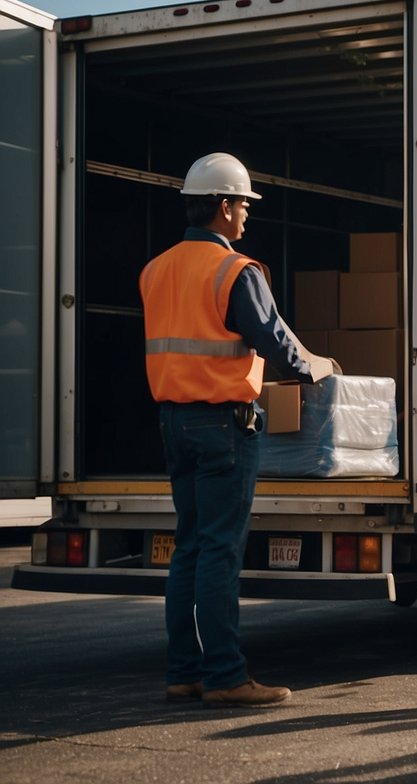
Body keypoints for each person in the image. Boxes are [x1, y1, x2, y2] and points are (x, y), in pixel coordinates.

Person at [140, 152, 338, 708]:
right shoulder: (235, 270)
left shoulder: (155, 269)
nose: (247, 216)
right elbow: (277, 342)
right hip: (223, 426)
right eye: (244, 205)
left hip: (174, 422)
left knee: (190, 549)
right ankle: (226, 676)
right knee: (221, 552)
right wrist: (317, 365)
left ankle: (185, 670)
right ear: (224, 207)